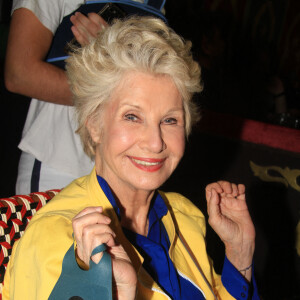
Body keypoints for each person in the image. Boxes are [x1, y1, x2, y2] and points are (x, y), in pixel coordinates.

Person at [3, 16, 259, 299]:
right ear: (95, 125)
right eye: (132, 116)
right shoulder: (63, 243)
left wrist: (239, 254)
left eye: (170, 120)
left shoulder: (184, 216)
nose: (155, 142)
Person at [4, 0, 166, 194]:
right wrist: (115, 82)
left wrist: (117, 57)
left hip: (131, 164)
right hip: (61, 162)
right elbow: (20, 74)